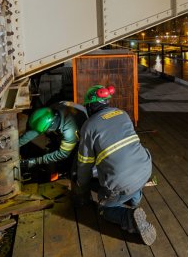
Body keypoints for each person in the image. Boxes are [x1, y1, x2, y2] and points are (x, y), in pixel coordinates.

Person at [74, 85, 156, 246]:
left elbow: (84, 163)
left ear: (90, 105)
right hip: (145, 169)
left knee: (105, 208)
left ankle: (128, 218)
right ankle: (135, 200)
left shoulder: (89, 126)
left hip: (122, 180)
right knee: (129, 174)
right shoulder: (122, 114)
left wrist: (81, 185)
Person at [19, 101, 88, 173]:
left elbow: (63, 154)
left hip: (84, 134)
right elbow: (36, 130)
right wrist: (17, 144)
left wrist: (35, 161)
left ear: (51, 128)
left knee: (72, 162)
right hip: (76, 114)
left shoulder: (69, 133)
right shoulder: (52, 109)